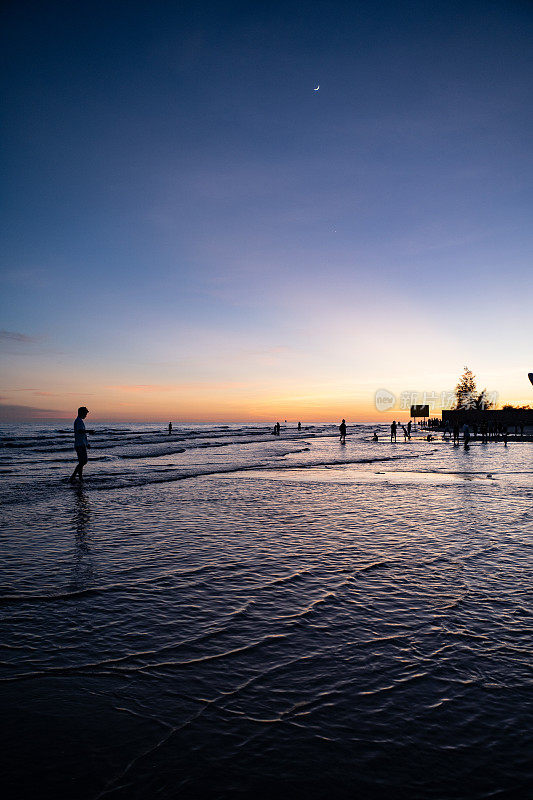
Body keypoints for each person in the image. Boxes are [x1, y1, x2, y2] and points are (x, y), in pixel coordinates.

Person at [70, 406, 90, 482]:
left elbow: (83, 434)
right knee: (83, 461)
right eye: (85, 413)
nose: (86, 415)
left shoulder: (80, 421)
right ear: (81, 413)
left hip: (82, 444)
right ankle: (73, 476)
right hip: (79, 444)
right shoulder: (78, 421)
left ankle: (80, 477)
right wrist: (89, 431)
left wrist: (87, 443)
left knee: (81, 461)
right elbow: (80, 431)